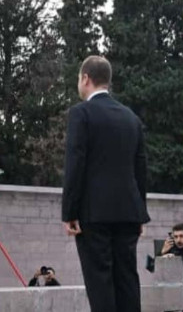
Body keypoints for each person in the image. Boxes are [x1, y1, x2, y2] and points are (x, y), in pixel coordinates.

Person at [62, 55, 150, 312]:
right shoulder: (131, 118)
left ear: (86, 78)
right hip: (128, 212)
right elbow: (140, 169)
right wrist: (140, 212)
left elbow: (75, 164)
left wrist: (70, 212)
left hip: (94, 213)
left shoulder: (81, 114)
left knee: (100, 283)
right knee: (127, 280)